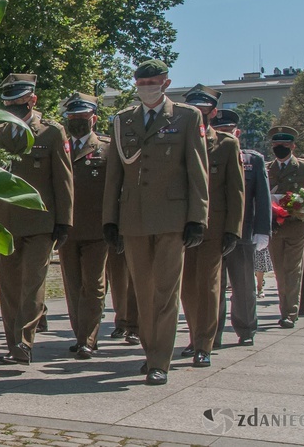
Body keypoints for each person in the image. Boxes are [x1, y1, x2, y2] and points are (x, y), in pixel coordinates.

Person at [103, 59, 209, 386]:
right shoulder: (122, 120)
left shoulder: (187, 117)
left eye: (153, 81)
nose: (147, 86)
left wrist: (197, 217)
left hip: (171, 218)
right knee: (144, 290)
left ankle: (159, 360)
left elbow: (197, 169)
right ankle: (151, 353)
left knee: (166, 290)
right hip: (133, 218)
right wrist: (110, 220)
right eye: (141, 82)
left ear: (165, 82)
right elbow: (114, 175)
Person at [0, 73, 74, 365]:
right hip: (4, 222)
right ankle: (14, 343)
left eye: (19, 101)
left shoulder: (52, 132)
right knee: (9, 286)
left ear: (33, 100)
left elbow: (63, 180)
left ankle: (24, 342)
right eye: (9, 102)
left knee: (33, 285)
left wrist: (64, 222)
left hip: (40, 223)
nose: (13, 107)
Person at [178, 86, 244, 368]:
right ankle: (194, 336)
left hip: (214, 227)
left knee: (209, 285)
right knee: (186, 287)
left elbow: (236, 191)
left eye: (204, 111)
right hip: (181, 225)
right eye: (195, 110)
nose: (200, 115)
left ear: (213, 113)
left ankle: (204, 344)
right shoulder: (177, 140)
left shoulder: (227, 144)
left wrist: (233, 230)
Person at [56, 92, 110, 360]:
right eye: (73, 117)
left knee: (94, 284)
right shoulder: (60, 146)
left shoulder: (107, 148)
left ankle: (88, 338)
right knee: (73, 285)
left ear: (94, 119)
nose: (77, 121)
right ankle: (81, 336)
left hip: (97, 230)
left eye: (83, 116)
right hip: (67, 229)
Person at [211, 109, 271, 347]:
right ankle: (211, 333)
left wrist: (262, 230)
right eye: (221, 131)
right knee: (212, 286)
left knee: (244, 285)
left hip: (243, 232)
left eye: (229, 132)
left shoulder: (252, 160)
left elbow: (262, 198)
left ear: (238, 132)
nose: (226, 136)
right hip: (213, 231)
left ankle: (246, 329)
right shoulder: (206, 154)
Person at [266, 126, 304, 328]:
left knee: (292, 269)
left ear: (293, 146)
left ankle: (290, 312)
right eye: (277, 145)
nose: (280, 148)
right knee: (279, 270)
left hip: (296, 226)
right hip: (274, 228)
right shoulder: (267, 168)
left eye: (285, 145)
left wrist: (299, 206)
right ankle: (284, 307)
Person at [106, 246, 140, 345]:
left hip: (137, 234)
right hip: (115, 235)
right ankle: (121, 322)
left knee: (136, 279)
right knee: (117, 279)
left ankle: (135, 327)